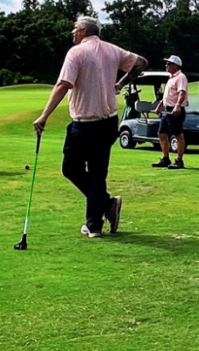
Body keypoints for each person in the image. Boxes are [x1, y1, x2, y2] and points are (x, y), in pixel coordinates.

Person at [34, 16, 147, 238]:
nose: (72, 32)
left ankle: (102, 211)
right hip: (108, 123)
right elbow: (141, 62)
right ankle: (98, 219)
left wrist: (44, 115)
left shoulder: (76, 53)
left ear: (84, 30)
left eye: (75, 29)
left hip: (84, 124)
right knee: (97, 174)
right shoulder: (112, 50)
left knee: (71, 169)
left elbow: (64, 84)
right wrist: (121, 83)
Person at [152, 55, 188, 169]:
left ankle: (179, 160)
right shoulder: (171, 78)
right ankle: (165, 158)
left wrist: (177, 106)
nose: (166, 65)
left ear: (175, 65)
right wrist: (160, 105)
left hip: (175, 110)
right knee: (162, 133)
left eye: (169, 64)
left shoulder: (180, 77)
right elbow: (168, 95)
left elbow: (182, 93)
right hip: (167, 110)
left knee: (177, 134)